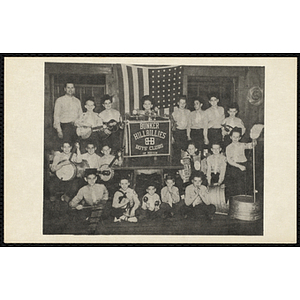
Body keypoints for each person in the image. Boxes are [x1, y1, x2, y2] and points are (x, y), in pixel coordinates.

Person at [225, 128, 257, 198]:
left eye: (237, 137)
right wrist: (239, 166)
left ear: (240, 138)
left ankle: (246, 198)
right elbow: (229, 161)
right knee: (236, 185)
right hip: (234, 166)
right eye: (234, 137)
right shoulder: (228, 147)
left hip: (244, 165)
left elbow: (251, 145)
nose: (235, 138)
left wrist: (254, 139)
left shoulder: (242, 145)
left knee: (245, 184)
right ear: (230, 137)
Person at [171, 96, 190, 161]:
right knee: (177, 151)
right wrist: (172, 136)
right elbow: (172, 126)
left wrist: (188, 135)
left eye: (184, 103)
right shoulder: (174, 113)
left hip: (184, 132)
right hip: (177, 132)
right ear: (178, 103)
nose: (182, 105)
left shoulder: (188, 112)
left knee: (185, 150)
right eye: (181, 103)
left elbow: (189, 125)